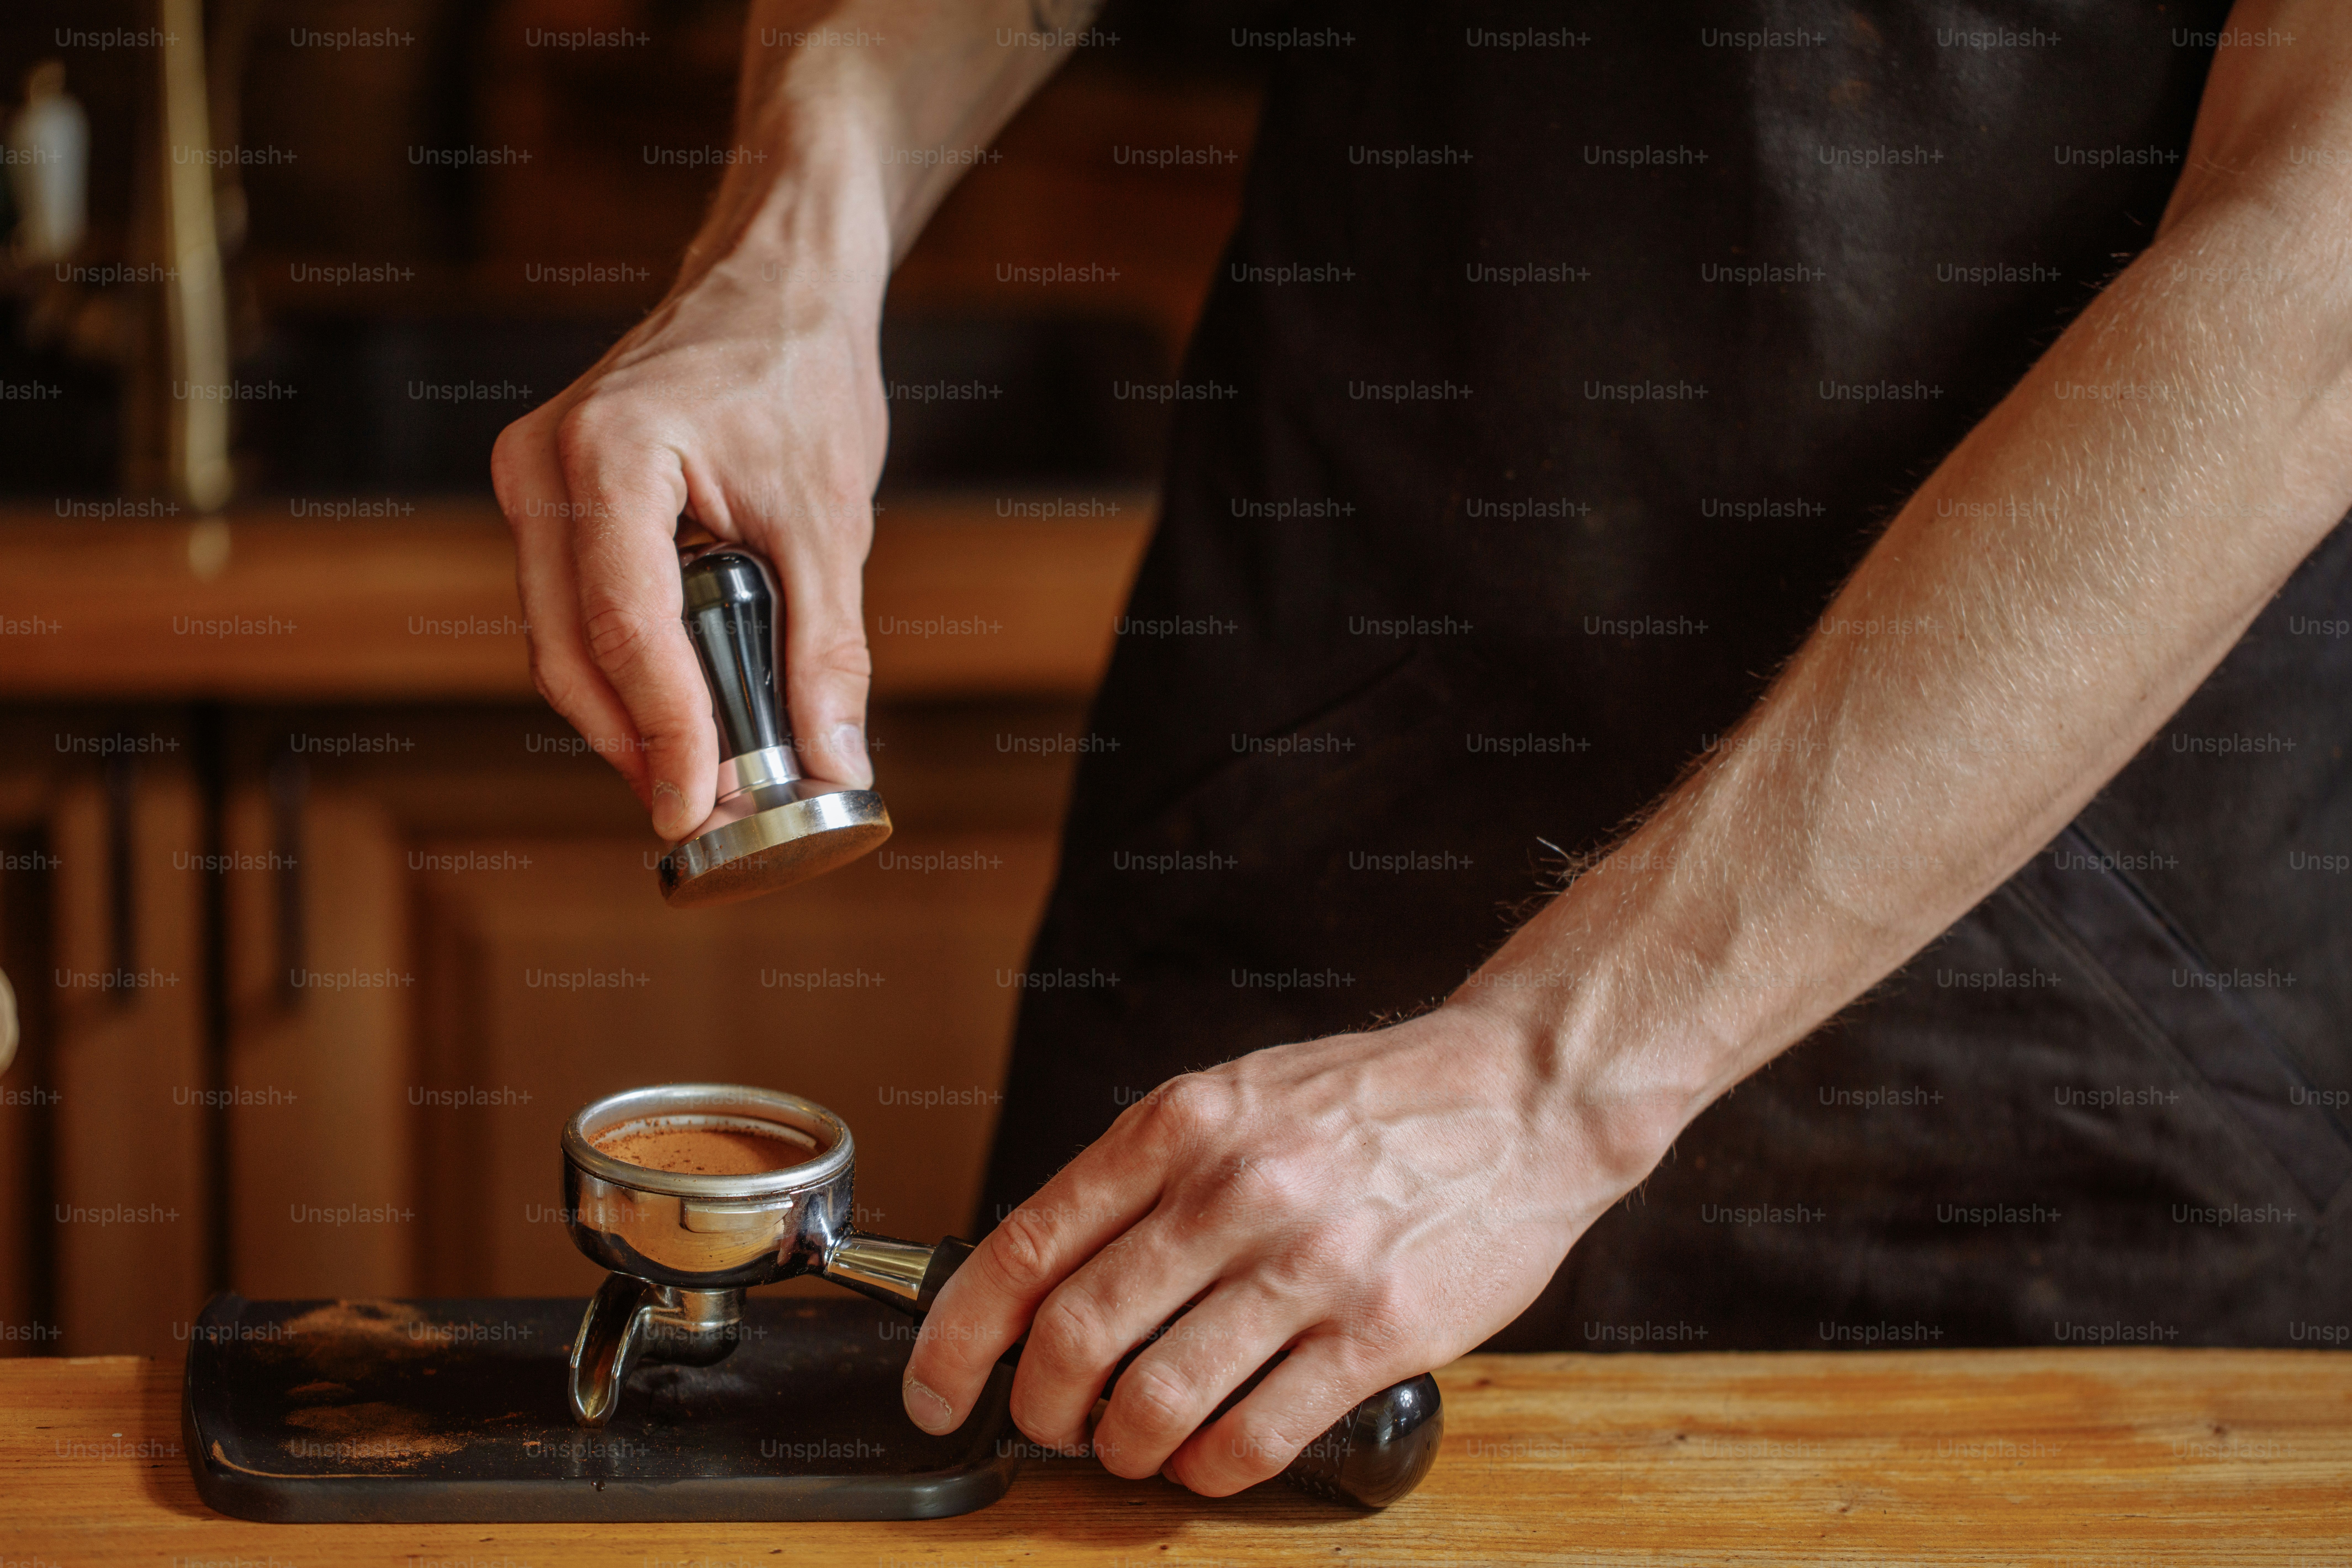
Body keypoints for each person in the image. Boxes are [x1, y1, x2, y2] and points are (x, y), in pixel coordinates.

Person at [495, 0, 2352, 1498]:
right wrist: (788, 245)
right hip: (1322, 795)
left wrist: (1556, 1071)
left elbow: (2312, 288)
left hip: (2090, 980)